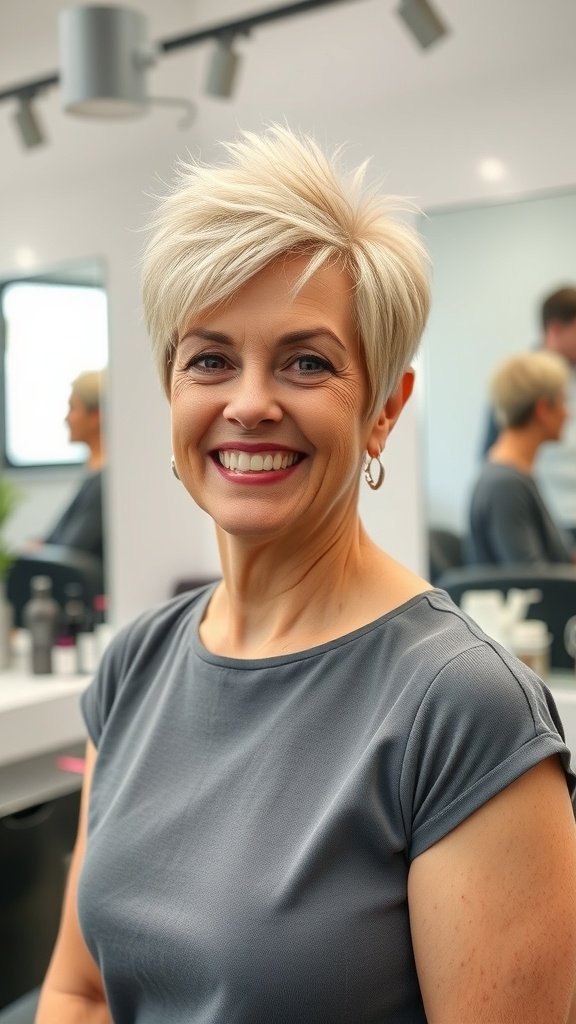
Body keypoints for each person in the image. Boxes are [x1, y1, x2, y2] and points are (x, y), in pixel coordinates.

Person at [36, 127, 576, 1024]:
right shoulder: (136, 664)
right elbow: (80, 989)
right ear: (172, 391)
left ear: (384, 409)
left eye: (307, 362)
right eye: (210, 359)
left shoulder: (464, 710)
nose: (250, 403)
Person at [482, 285, 576, 534]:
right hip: (547, 519)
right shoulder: (520, 381)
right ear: (555, 330)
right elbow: (491, 452)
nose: (567, 414)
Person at [467, 350, 575, 565]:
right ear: (543, 409)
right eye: (562, 401)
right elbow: (530, 578)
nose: (567, 413)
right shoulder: (505, 485)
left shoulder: (515, 474)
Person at [35, 370, 106, 561]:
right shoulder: (94, 473)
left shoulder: (103, 482)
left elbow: (74, 548)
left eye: (73, 408)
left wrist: (41, 551)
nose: (67, 419)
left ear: (96, 416)